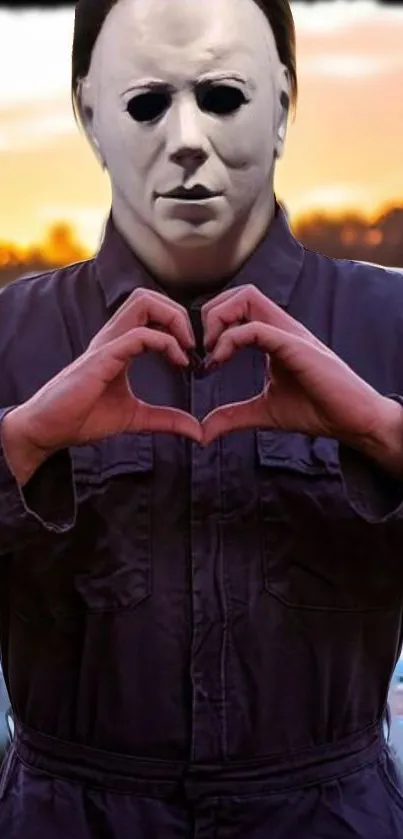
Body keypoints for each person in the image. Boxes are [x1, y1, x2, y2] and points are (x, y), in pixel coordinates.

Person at [1, 0, 403, 835]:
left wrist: (382, 431)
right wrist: (22, 440)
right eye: (146, 101)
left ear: (285, 103)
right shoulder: (8, 334)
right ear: (87, 115)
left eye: (222, 95)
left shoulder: (393, 321)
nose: (186, 138)